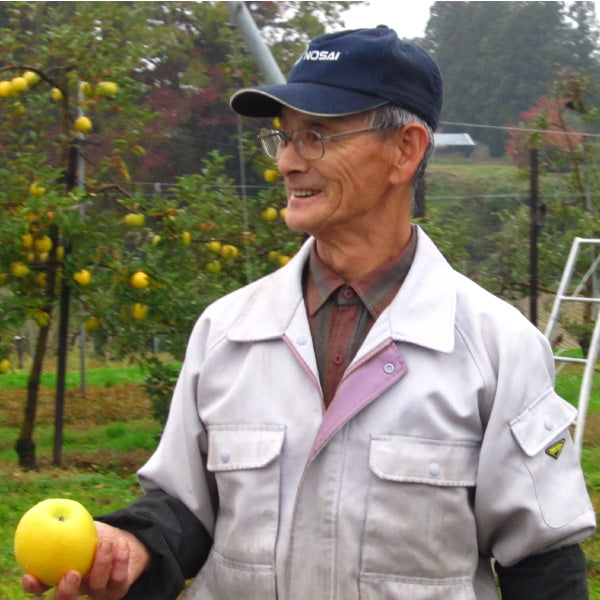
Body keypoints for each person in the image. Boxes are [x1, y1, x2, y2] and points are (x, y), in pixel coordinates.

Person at [23, 26, 596, 600]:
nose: (289, 163)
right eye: (285, 138)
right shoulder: (227, 331)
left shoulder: (496, 348)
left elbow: (541, 560)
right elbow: (185, 507)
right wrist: (132, 549)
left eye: (317, 136)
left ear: (406, 150)